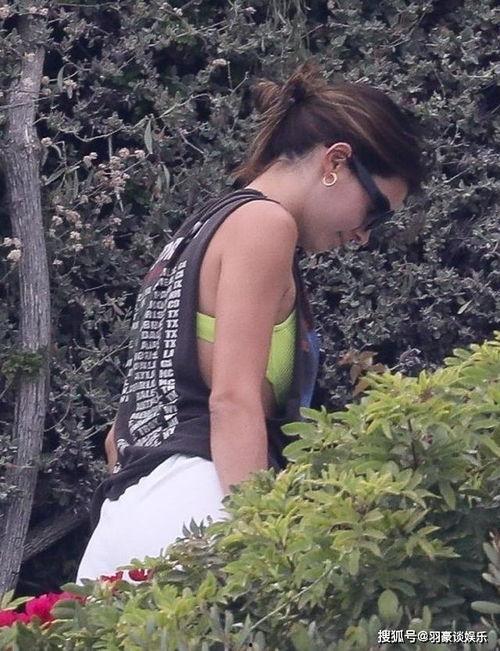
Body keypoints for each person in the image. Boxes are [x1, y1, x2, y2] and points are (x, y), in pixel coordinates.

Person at [75, 59, 426, 583]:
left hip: (126, 515)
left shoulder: (196, 233)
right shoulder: (265, 223)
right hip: (198, 505)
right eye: (375, 210)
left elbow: (117, 434)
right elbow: (233, 399)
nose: (363, 235)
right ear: (335, 160)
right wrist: (266, 541)